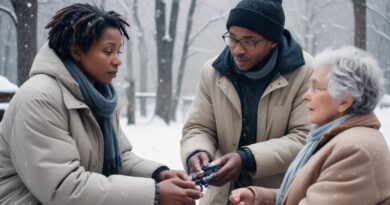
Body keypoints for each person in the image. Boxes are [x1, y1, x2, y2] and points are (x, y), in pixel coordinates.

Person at [0, 3, 202, 205]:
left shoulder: (98, 98)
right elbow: (63, 187)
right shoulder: (40, 99)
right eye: (108, 51)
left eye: (118, 52)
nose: (117, 61)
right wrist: (155, 194)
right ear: (77, 51)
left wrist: (158, 174)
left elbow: (119, 158)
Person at [180, 0, 313, 204]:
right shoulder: (213, 72)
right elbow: (199, 127)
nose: (237, 50)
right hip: (220, 197)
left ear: (273, 41)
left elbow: (304, 138)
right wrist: (197, 152)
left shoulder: (305, 72)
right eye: (232, 39)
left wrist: (246, 158)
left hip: (278, 196)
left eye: (249, 41)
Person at [229, 46, 390, 205]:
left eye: (315, 87)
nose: (306, 96)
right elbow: (310, 193)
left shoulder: (355, 150)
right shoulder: (335, 138)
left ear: (344, 101)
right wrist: (259, 198)